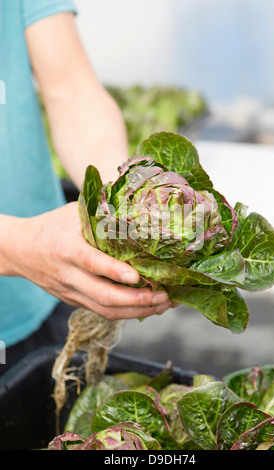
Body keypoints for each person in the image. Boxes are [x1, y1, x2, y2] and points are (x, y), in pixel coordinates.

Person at [0, 0, 172, 375]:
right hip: (35, 260)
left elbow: (71, 91)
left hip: (44, 290)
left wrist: (118, 196)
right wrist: (15, 247)